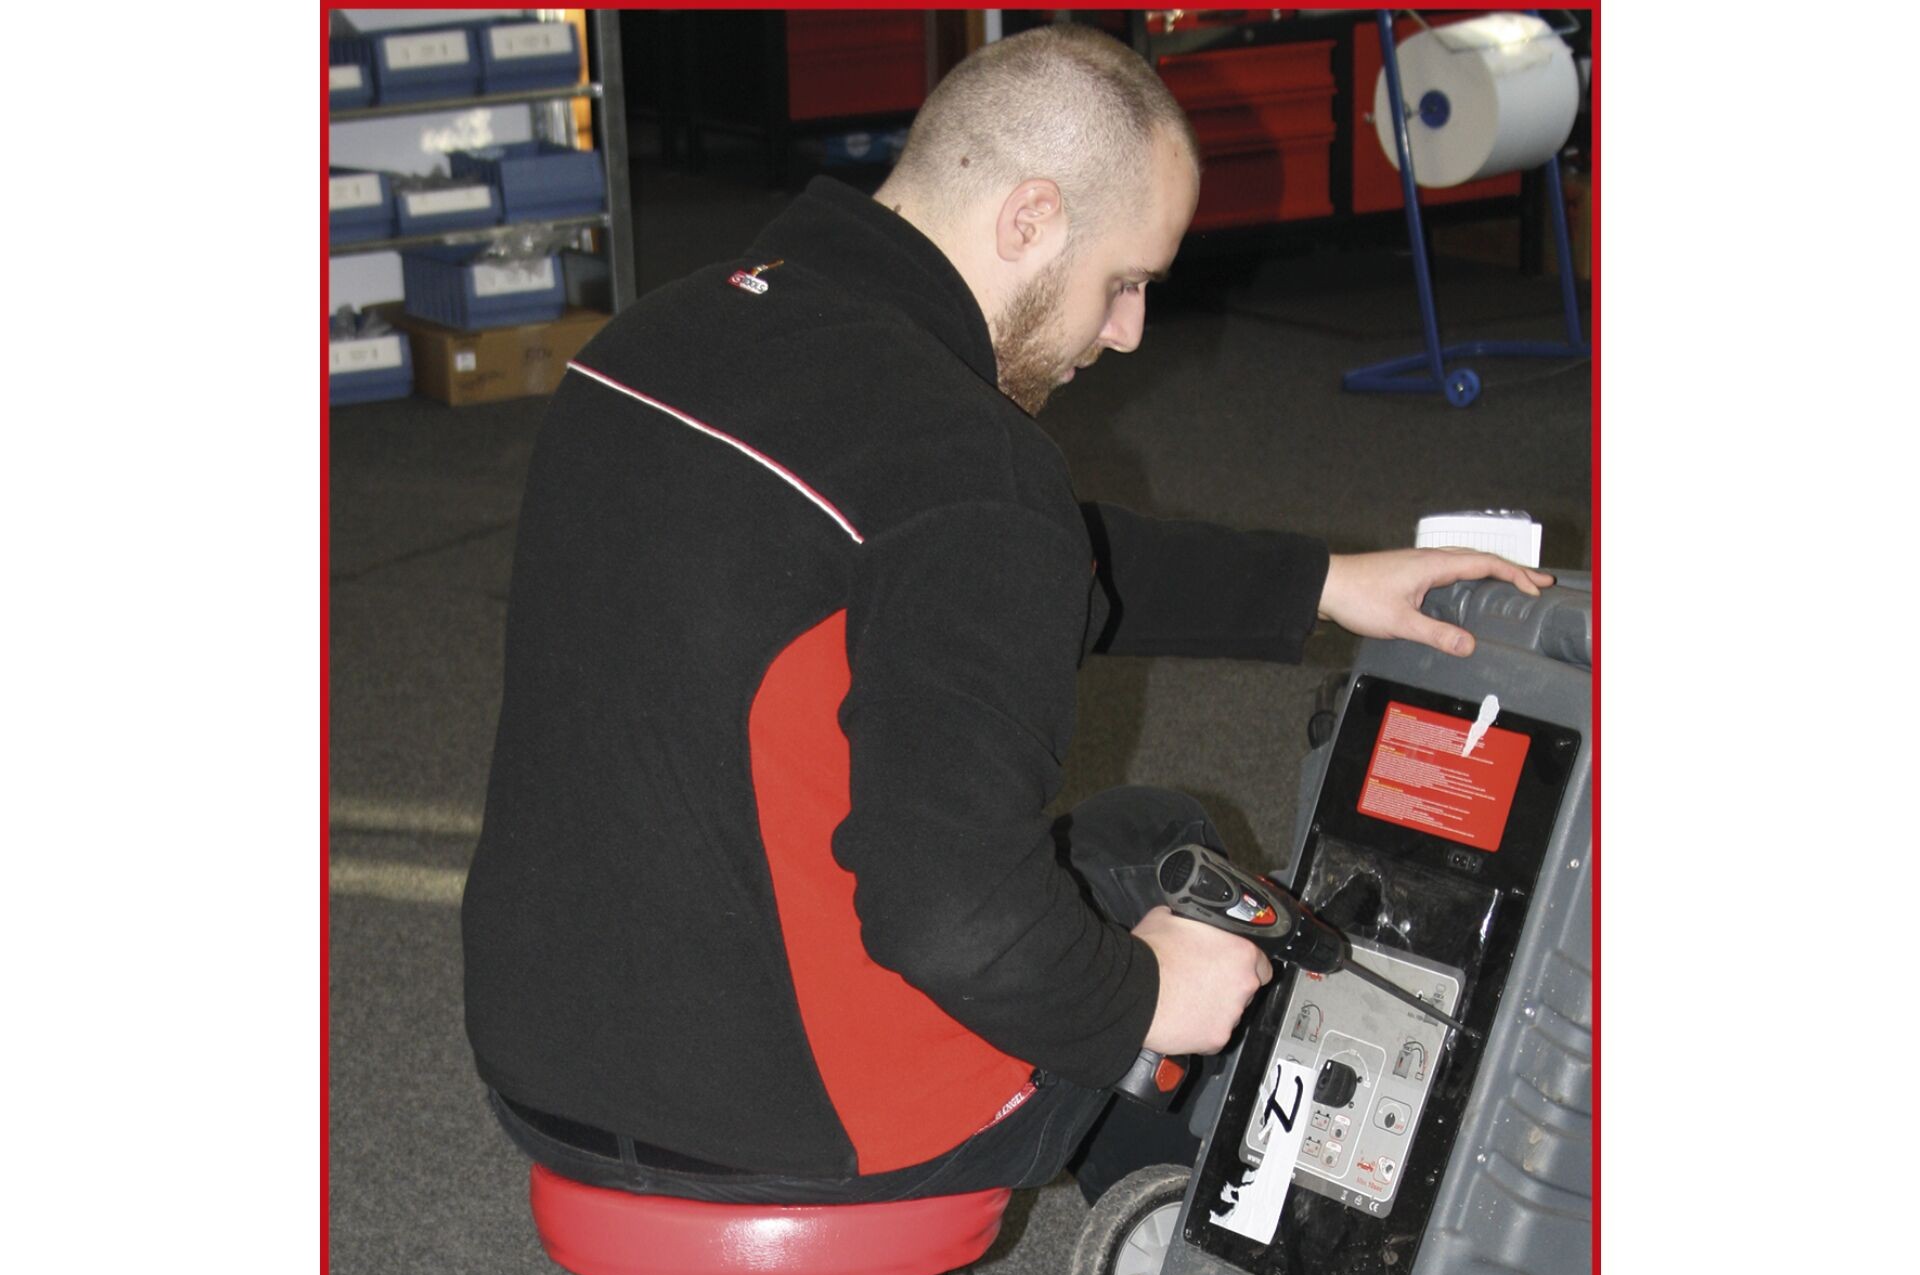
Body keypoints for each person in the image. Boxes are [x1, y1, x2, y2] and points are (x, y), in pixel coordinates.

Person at [461, 24, 1549, 1207]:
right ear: (1031, 219)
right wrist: (1147, 998)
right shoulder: (972, 472)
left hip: (545, 1064)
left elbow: (971, 561)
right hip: (803, 1117)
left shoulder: (658, 337)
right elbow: (954, 918)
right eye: (1125, 281)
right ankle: (1183, 1224)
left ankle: (1149, 1202)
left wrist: (1322, 582)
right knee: (1163, 850)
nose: (1127, 332)